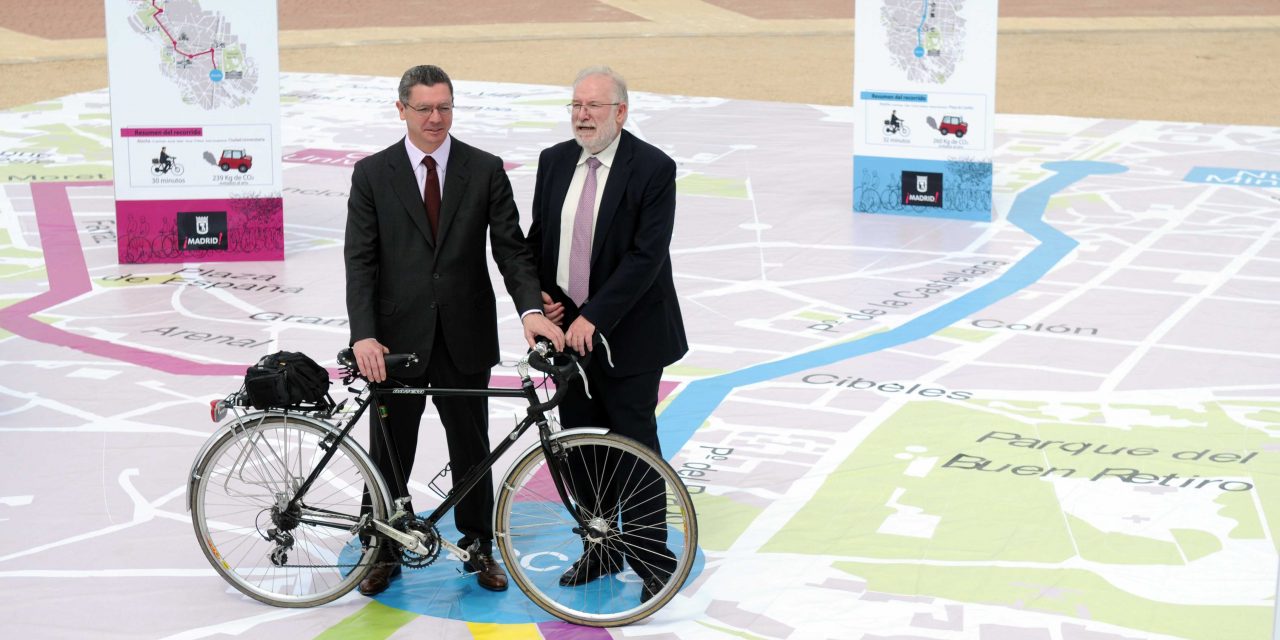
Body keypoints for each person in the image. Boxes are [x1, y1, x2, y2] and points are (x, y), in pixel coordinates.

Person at [344, 64, 563, 597]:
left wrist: (530, 310)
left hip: (464, 337)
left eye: (444, 107)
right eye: (424, 108)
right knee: (390, 447)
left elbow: (511, 251)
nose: (435, 118)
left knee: (472, 449)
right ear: (402, 110)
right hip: (394, 344)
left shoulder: (484, 169)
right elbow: (361, 262)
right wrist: (364, 334)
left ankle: (478, 548)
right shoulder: (373, 174)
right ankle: (385, 549)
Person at [526, 66, 688, 604]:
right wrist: (545, 297)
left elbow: (646, 257)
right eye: (576, 105)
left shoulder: (653, 168)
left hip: (629, 335)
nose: (582, 115)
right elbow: (540, 239)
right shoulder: (553, 162)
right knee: (582, 448)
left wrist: (594, 316)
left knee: (634, 444)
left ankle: (649, 555)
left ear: (621, 111)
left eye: (594, 106)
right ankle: (600, 546)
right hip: (568, 337)